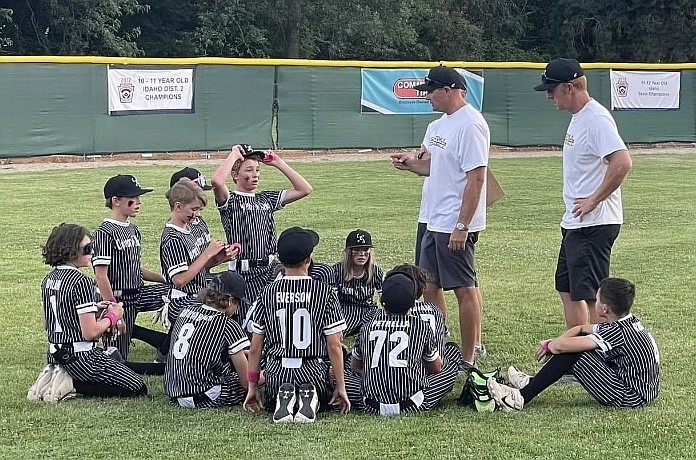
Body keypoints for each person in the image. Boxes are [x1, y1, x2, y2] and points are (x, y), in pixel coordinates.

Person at [390, 65, 490, 367]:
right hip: (432, 217)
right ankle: (439, 344)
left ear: (448, 90)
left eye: (430, 92)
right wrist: (410, 164)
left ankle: (470, 356)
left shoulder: (470, 124)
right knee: (429, 285)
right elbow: (432, 166)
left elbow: (477, 178)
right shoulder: (438, 126)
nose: (427, 97)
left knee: (463, 287)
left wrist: (463, 225)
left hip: (453, 221)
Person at [534, 58, 632, 329]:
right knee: (567, 287)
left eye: (551, 89)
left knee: (592, 297)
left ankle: (600, 355)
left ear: (569, 88)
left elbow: (622, 161)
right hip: (576, 223)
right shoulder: (580, 118)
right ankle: (577, 353)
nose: (548, 95)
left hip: (594, 224)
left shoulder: (596, 119)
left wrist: (593, 199)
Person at [488, 277, 660, 411]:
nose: (595, 301)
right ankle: (531, 383)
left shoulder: (616, 332)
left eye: (597, 299)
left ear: (605, 308)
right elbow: (581, 329)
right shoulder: (625, 323)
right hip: (640, 390)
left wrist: (551, 346)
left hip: (630, 397)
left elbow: (563, 347)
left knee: (576, 352)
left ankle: (519, 398)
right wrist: (554, 343)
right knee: (578, 346)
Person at [28, 223, 147, 401]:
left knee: (119, 367)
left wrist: (94, 310)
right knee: (137, 386)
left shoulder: (49, 279)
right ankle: (71, 384)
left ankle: (61, 375)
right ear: (71, 250)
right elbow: (90, 333)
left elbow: (49, 322)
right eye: (88, 248)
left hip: (55, 354)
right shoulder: (81, 281)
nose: (93, 252)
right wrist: (113, 315)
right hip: (81, 357)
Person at [243, 227, 350, 423]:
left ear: (281, 260)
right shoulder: (324, 292)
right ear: (309, 259)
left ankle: (284, 396)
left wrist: (252, 386)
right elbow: (334, 345)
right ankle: (310, 397)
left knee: (277, 381)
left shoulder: (267, 292)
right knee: (344, 362)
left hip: (277, 371)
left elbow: (256, 346)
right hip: (313, 369)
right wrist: (340, 387)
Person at [211, 144, 313, 323]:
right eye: (249, 170)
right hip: (245, 273)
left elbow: (304, 189)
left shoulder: (266, 199)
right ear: (235, 175)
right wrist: (234, 155)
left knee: (274, 316)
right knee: (248, 322)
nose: (255, 174)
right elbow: (217, 181)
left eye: (257, 170)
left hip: (269, 269)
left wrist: (278, 162)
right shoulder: (231, 200)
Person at [345, 272, 459, 415]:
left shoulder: (368, 326)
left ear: (382, 301)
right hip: (413, 403)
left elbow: (355, 367)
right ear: (413, 303)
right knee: (449, 365)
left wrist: (377, 373)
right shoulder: (421, 326)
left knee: (343, 373)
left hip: (371, 404)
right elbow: (435, 369)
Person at [92, 174, 169, 362]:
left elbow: (137, 268)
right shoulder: (104, 233)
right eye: (132, 199)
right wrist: (113, 308)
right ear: (116, 201)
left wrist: (166, 279)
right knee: (117, 360)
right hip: (119, 298)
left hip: (139, 293)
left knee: (181, 295)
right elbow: (101, 276)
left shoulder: (133, 229)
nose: (139, 202)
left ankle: (167, 349)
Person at [158, 180, 236, 353]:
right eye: (193, 209)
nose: (197, 214)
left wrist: (220, 258)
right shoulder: (172, 237)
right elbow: (179, 280)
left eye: (199, 210)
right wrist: (207, 253)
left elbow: (202, 268)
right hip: (182, 299)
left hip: (199, 293)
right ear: (178, 206)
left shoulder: (193, 227)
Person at [164, 271, 253, 408]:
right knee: (255, 374)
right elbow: (246, 382)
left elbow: (201, 348)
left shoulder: (186, 310)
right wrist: (271, 374)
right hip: (204, 395)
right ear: (230, 301)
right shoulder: (228, 324)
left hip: (175, 393)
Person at [331, 229, 384, 336]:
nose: (362, 254)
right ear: (348, 252)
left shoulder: (375, 271)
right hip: (344, 311)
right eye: (356, 250)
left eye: (365, 250)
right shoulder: (336, 271)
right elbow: (332, 302)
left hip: (368, 311)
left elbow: (385, 297)